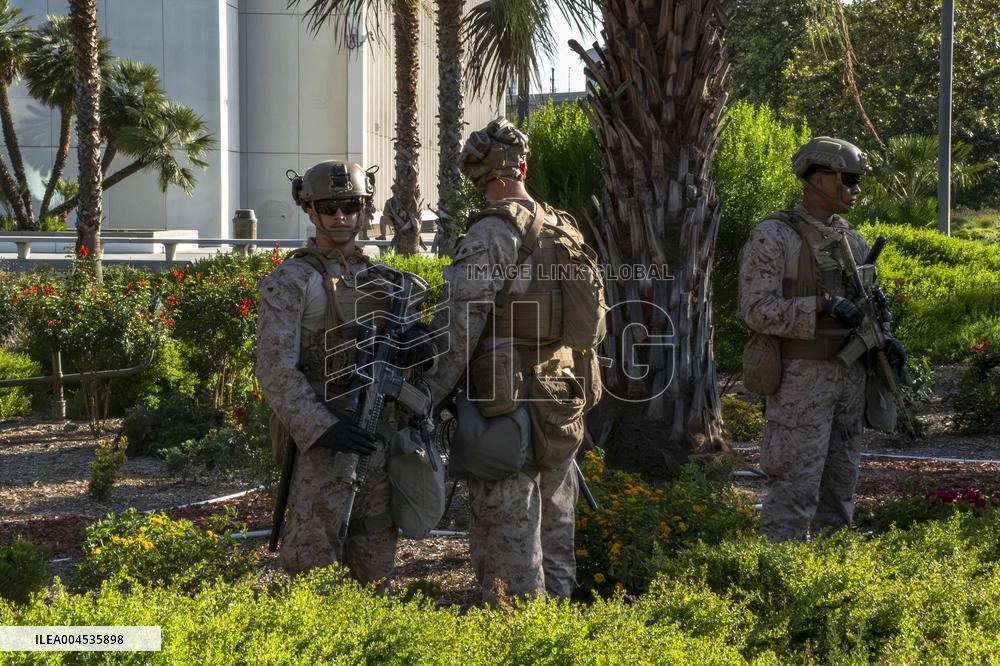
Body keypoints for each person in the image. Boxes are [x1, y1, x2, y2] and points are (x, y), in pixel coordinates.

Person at [420, 118, 605, 604]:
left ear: (477, 179)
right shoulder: (563, 226)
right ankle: (558, 627)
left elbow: (460, 325)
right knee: (556, 526)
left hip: (505, 404)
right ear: (522, 168)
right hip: (561, 396)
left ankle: (516, 631)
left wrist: (426, 398)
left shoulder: (492, 232)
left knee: (509, 534)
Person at [256, 160, 431, 586]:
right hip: (323, 444)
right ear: (309, 209)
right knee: (312, 556)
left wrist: (419, 345)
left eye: (351, 206)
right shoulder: (293, 280)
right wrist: (323, 428)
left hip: (378, 436)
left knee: (376, 553)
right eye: (329, 208)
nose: (341, 217)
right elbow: (274, 369)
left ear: (364, 208)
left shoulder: (385, 280)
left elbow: (411, 349)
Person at [738, 136, 907, 542]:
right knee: (793, 490)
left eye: (857, 180)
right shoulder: (774, 236)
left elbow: (867, 306)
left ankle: (830, 569)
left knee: (840, 492)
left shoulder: (854, 240)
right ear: (817, 179)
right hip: (800, 382)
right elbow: (755, 309)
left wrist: (885, 340)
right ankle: (780, 569)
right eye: (848, 179)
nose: (856, 189)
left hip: (849, 380)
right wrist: (819, 305)